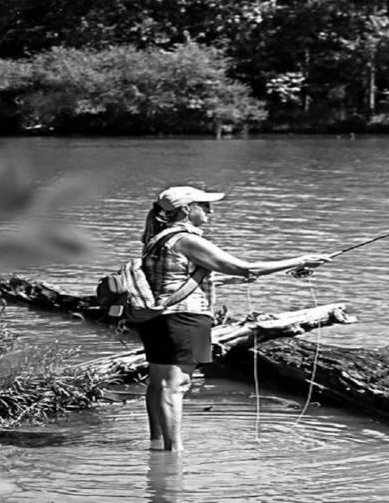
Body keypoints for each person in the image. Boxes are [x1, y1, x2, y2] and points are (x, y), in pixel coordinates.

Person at [136, 185, 330, 451]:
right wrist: (302, 259)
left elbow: (197, 276)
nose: (209, 210)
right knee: (176, 385)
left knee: (159, 383)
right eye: (203, 205)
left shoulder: (158, 239)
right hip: (183, 318)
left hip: (157, 318)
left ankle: (157, 446)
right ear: (184, 210)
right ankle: (174, 453)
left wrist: (260, 273)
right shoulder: (186, 239)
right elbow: (244, 267)